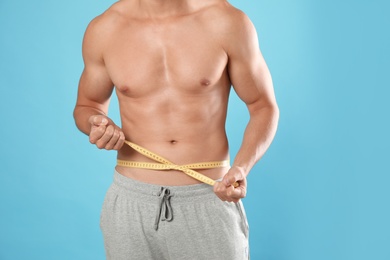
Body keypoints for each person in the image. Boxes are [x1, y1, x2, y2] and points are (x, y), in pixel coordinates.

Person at [73, 0, 279, 259]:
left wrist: (241, 167)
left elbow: (263, 106)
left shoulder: (227, 22)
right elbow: (87, 105)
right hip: (131, 201)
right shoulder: (105, 28)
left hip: (208, 198)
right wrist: (95, 123)